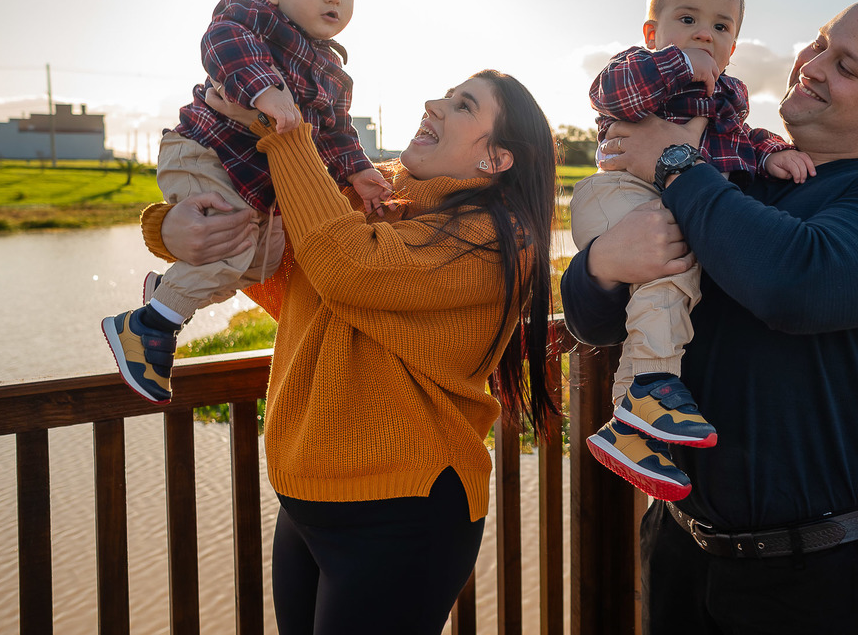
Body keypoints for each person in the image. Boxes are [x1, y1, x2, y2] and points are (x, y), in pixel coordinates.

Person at [561, 0, 858, 634]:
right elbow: (595, 322)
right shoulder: (731, 179)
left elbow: (791, 283)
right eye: (823, 42)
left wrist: (673, 160)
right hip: (679, 549)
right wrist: (604, 263)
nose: (814, 64)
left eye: (847, 66)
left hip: (815, 574)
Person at [142, 69, 559, 634]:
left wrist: (287, 134)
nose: (434, 102)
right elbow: (282, 271)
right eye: (446, 93)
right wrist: (172, 230)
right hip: (307, 495)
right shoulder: (373, 190)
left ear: (497, 159)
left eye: (462, 106)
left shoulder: (498, 237)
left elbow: (347, 268)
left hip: (406, 510)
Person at [102, 0, 391, 404]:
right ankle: (148, 326)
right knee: (233, 245)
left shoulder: (335, 75)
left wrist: (358, 169)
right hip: (205, 152)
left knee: (263, 261)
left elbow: (338, 132)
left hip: (256, 186)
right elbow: (224, 46)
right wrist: (265, 90)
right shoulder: (253, 20)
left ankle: (170, 292)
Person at [571, 0, 815, 502]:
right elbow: (611, 93)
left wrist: (774, 154)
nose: (706, 32)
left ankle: (629, 429)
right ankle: (652, 387)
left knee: (668, 290)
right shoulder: (639, 69)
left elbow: (735, 142)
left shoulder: (727, 96)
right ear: (651, 33)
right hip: (616, 195)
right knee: (674, 264)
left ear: (733, 47)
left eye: (722, 27)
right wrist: (679, 63)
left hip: (658, 206)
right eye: (688, 18)